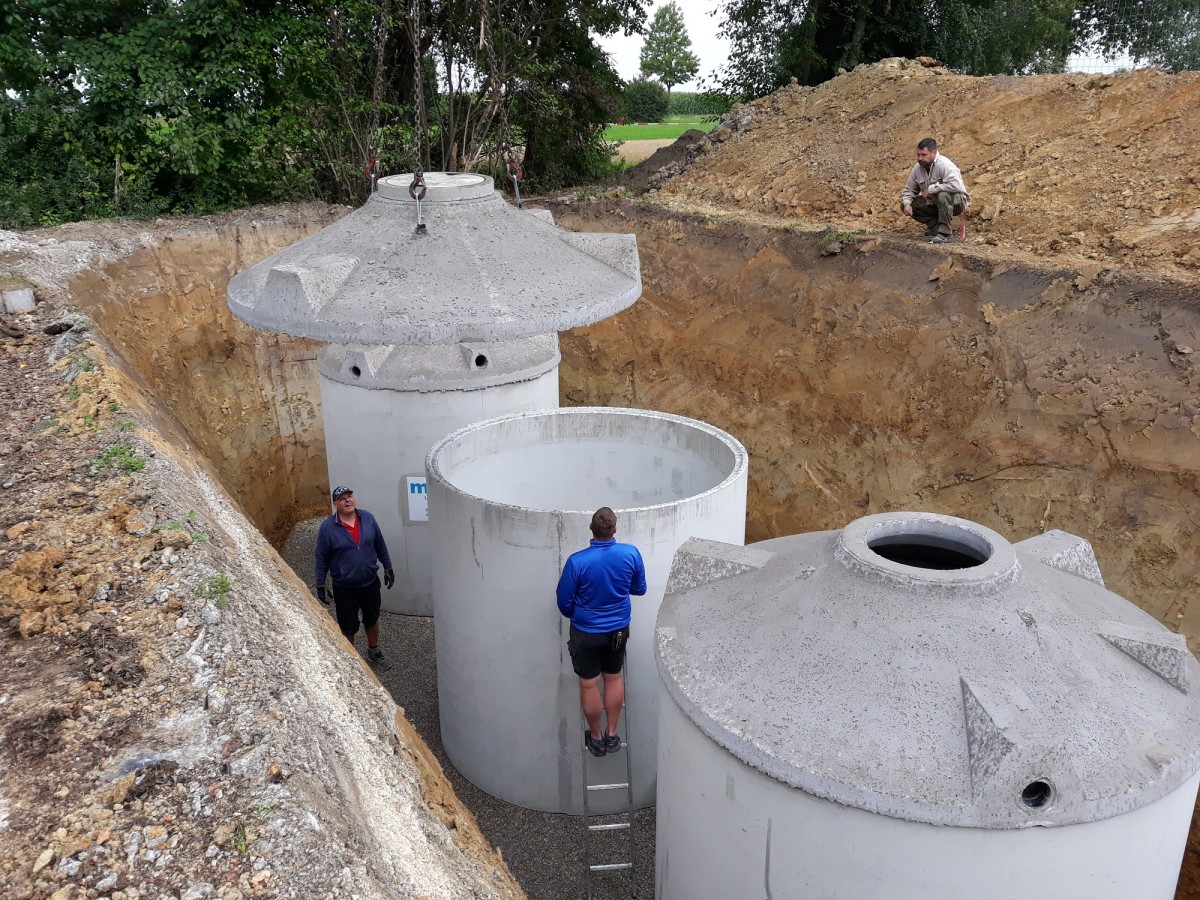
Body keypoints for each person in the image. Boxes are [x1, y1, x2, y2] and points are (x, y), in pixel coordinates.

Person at [556, 507, 647, 758]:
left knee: (589, 685)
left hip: (586, 632)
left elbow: (564, 602)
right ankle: (612, 734)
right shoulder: (630, 554)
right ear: (615, 529)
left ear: (591, 529)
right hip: (618, 630)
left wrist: (581, 613)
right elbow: (640, 589)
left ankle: (596, 738)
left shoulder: (577, 561)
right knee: (613, 679)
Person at [315, 485, 395, 670]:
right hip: (345, 588)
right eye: (342, 498)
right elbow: (321, 558)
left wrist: (388, 566)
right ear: (335, 504)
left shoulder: (368, 518)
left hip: (370, 582)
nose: (348, 500)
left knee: (372, 618)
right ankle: (351, 661)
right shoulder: (328, 528)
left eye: (349, 496)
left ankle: (373, 651)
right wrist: (320, 583)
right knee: (348, 626)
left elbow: (380, 544)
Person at [900, 137, 970, 244]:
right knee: (907, 203)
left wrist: (932, 189)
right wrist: (907, 203)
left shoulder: (945, 165)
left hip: (956, 203)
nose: (919, 158)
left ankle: (945, 234)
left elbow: (956, 186)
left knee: (942, 195)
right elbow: (909, 190)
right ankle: (935, 227)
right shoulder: (917, 168)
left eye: (923, 155)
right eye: (918, 154)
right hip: (934, 203)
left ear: (934, 153)